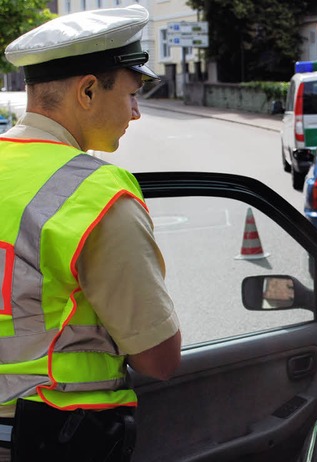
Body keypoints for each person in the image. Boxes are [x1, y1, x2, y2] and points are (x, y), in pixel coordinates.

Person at [0, 5, 181, 461]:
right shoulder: (95, 193)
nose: (136, 112)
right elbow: (158, 358)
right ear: (86, 91)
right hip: (56, 434)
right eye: (131, 93)